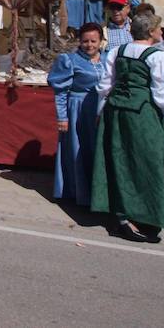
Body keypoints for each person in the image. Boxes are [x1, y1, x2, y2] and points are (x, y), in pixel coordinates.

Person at [91, 12, 164, 243]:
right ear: (151, 32)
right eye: (160, 29)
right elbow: (163, 96)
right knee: (150, 164)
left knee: (120, 162)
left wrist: (100, 114)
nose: (162, 33)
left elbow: (105, 86)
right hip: (143, 116)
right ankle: (143, 216)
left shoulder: (116, 51)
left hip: (115, 112)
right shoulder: (158, 56)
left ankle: (123, 215)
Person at [47, 22, 106, 206]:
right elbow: (61, 92)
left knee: (97, 150)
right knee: (78, 149)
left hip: (100, 109)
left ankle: (98, 192)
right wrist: (62, 117)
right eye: (85, 41)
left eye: (93, 41)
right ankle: (78, 193)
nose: (89, 45)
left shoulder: (108, 59)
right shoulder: (69, 60)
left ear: (101, 41)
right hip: (78, 109)